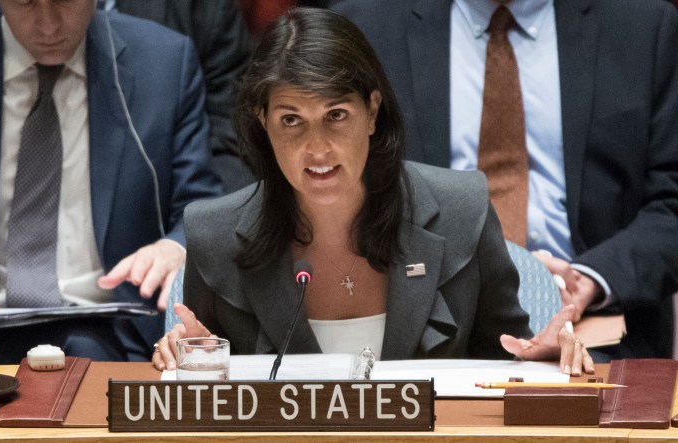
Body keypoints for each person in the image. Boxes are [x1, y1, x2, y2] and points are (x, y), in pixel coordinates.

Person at [152, 7, 594, 376]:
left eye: (336, 115)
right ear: (263, 122)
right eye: (291, 120)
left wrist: (543, 360)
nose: (317, 148)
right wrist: (192, 362)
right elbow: (210, 404)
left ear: (372, 112)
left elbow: (504, 361)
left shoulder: (463, 211)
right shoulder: (213, 234)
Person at [332, 0, 678, 359]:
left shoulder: (642, 27)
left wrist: (588, 279)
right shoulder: (365, 26)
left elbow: (670, 204)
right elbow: (337, 191)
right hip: (426, 327)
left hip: (594, 327)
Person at [0, 0, 223, 362]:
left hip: (109, 330)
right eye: (26, 2)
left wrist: (177, 246)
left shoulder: (163, 62)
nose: (48, 26)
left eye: (65, 1)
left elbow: (199, 206)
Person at [0, 0, 255, 193]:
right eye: (26, 2)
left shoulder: (168, 59)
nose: (48, 27)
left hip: (123, 287)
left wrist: (183, 249)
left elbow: (215, 178)